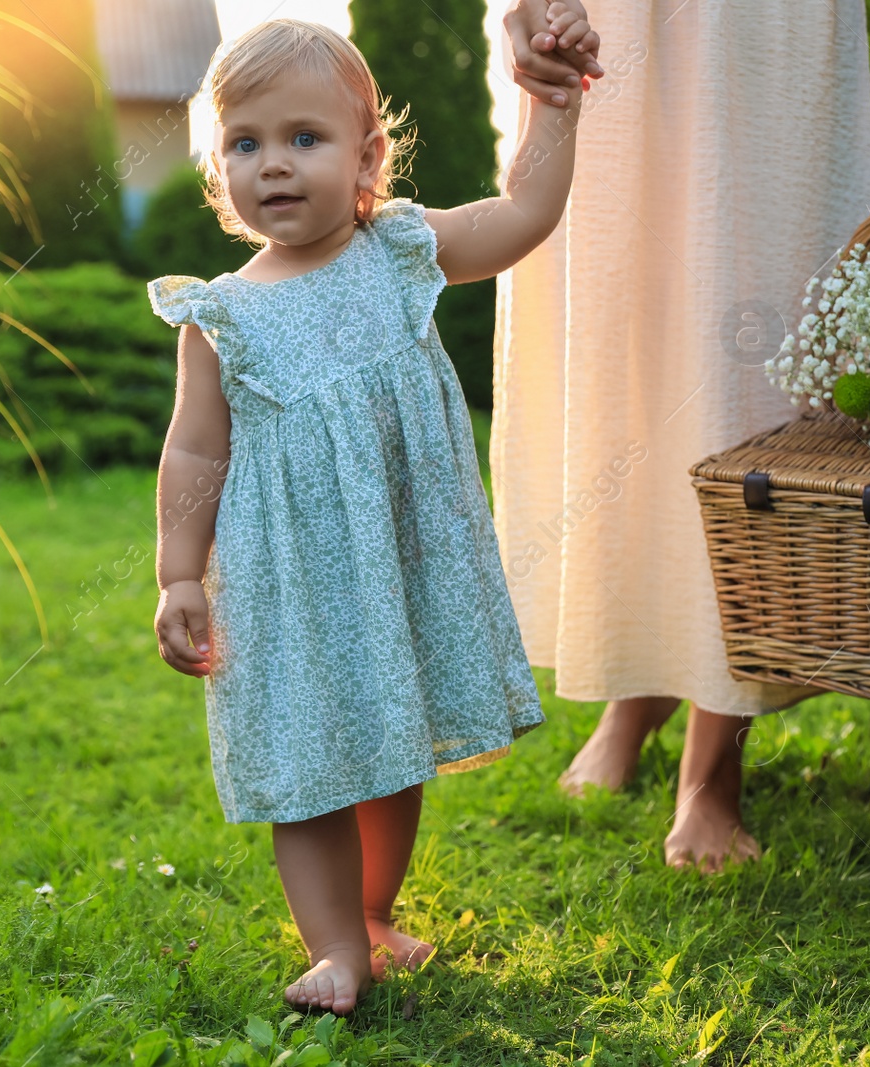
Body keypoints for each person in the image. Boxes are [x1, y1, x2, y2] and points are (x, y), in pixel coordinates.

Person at [147, 11, 600, 1016]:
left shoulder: (397, 253)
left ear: (367, 152)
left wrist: (552, 107)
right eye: (246, 142)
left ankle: (376, 912)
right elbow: (194, 450)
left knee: (392, 737)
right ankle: (335, 949)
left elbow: (522, 213)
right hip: (284, 586)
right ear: (218, 168)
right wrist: (181, 571)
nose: (273, 164)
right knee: (306, 762)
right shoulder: (219, 314)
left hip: (395, 564)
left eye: (304, 138)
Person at [493, 0, 870, 872]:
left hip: (762, 36)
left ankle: (712, 764)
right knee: (627, 356)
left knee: (747, 371)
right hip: (607, 32)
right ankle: (644, 675)